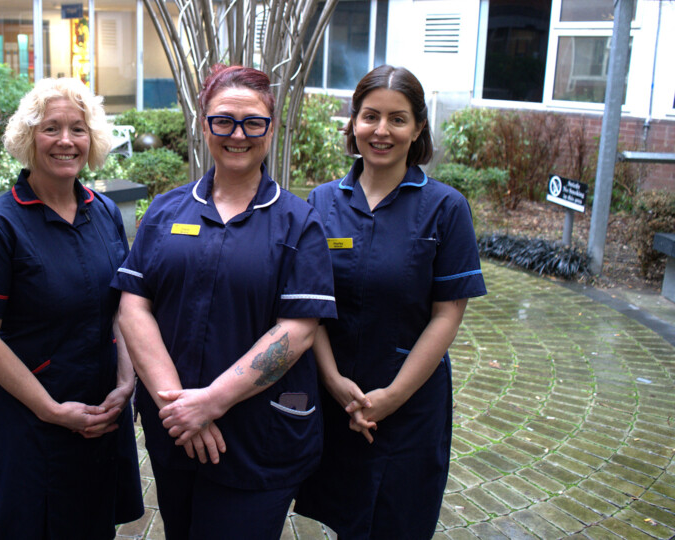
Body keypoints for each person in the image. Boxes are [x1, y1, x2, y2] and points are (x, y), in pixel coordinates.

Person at [112, 64, 336, 539]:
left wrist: (211, 402)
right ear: (204, 124)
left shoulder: (300, 223)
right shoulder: (166, 210)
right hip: (175, 430)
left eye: (253, 122)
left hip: (258, 439)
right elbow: (133, 306)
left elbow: (298, 330)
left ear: (271, 128)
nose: (238, 134)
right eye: (224, 120)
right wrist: (182, 409)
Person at [293, 65, 487, 539]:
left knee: (399, 521)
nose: (381, 131)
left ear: (418, 128)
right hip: (338, 398)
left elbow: (447, 315)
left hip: (410, 404)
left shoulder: (446, 208)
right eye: (370, 116)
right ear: (353, 123)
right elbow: (310, 306)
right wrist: (333, 381)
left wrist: (393, 396)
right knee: (345, 516)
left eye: (397, 119)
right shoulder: (321, 202)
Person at [0, 77, 143, 539]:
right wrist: (53, 411)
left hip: (100, 414)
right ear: (28, 137)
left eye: (78, 129)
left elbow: (121, 309)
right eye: (51, 128)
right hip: (30, 422)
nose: (65, 141)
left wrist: (126, 382)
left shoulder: (104, 212)